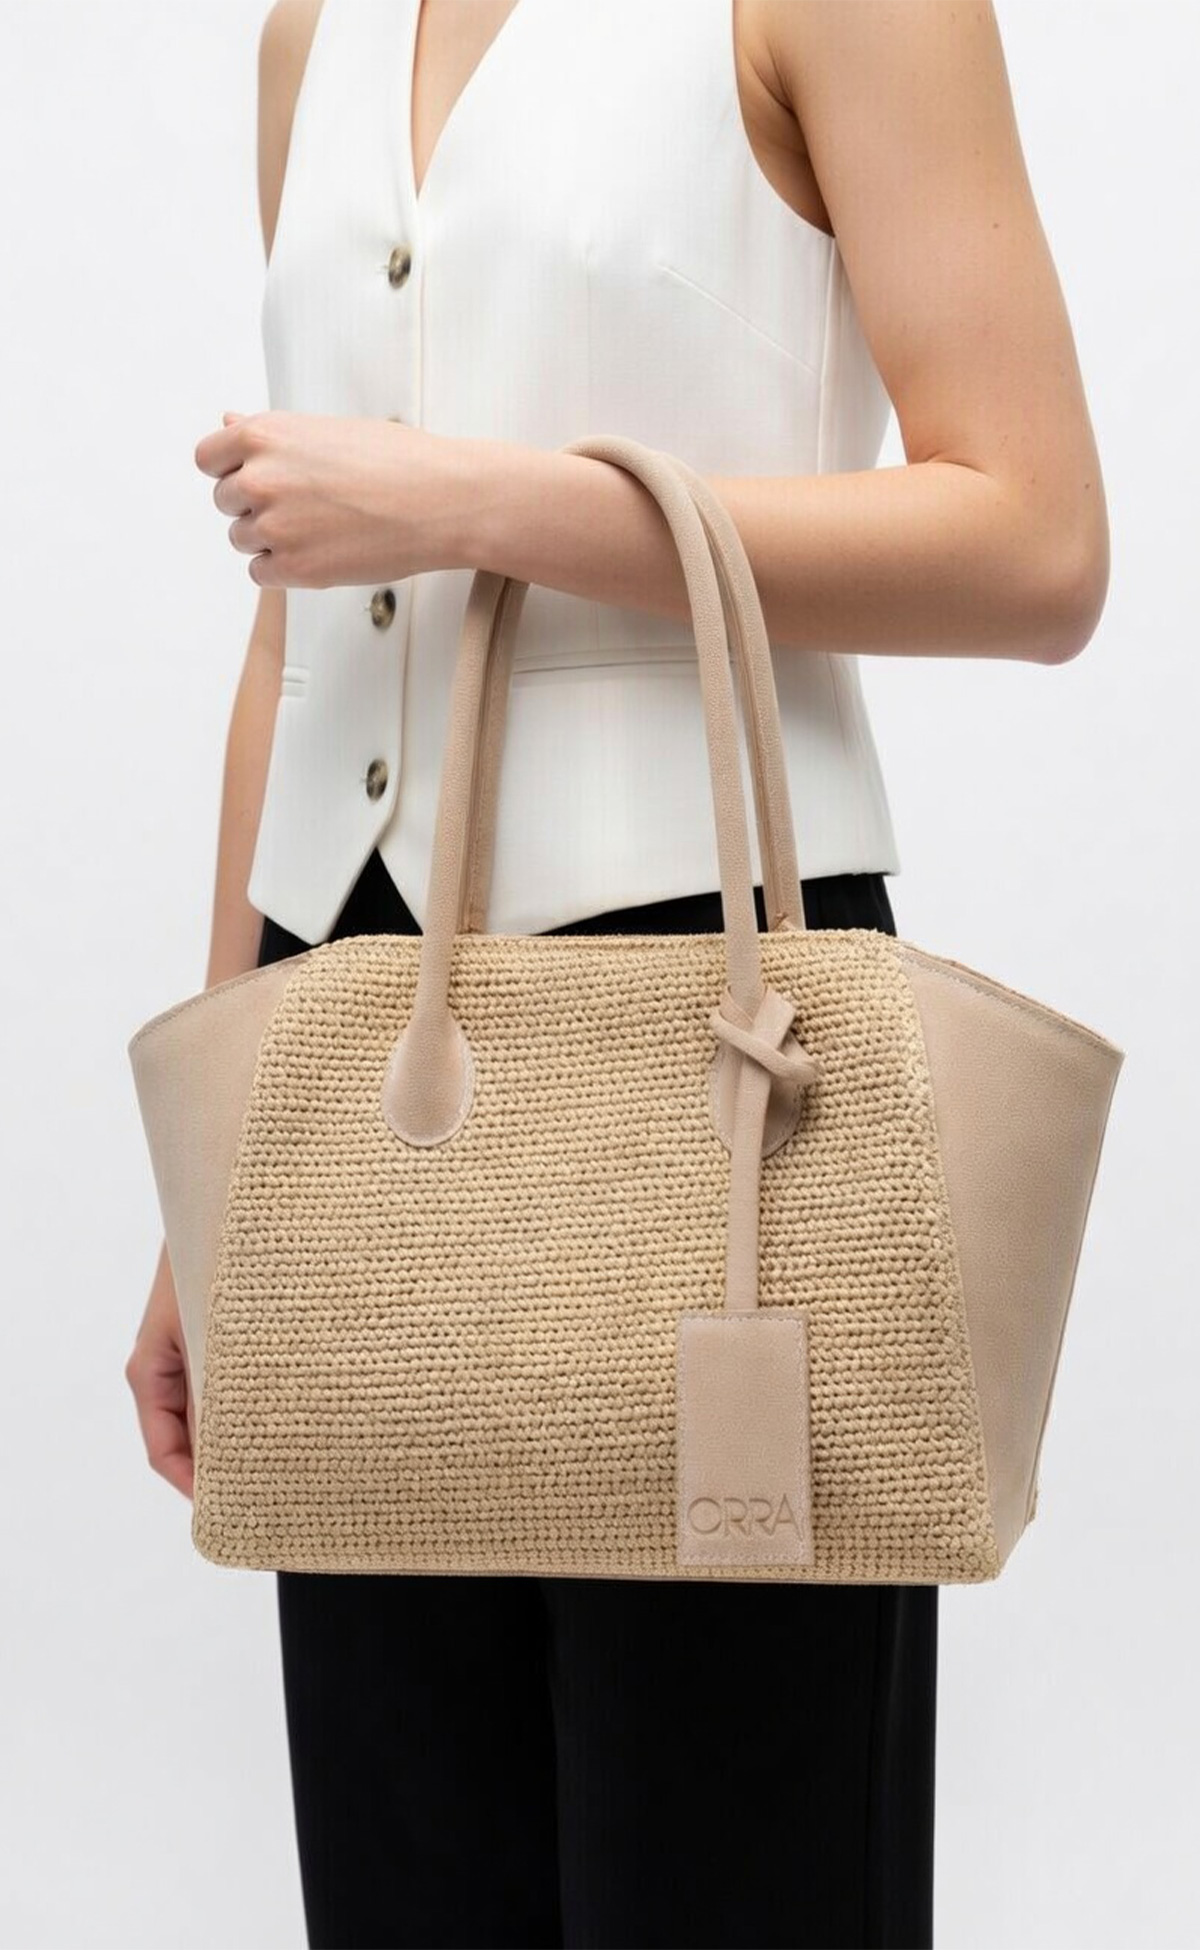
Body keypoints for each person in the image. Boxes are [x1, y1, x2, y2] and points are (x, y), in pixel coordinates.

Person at [125, 2, 1109, 1944]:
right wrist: (207, 1189)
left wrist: (488, 503)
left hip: (722, 1026)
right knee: (408, 1879)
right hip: (355, 1041)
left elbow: (1039, 540)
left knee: (739, 1872)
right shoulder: (311, 36)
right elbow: (302, 641)